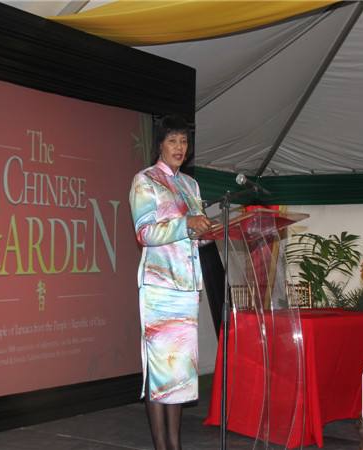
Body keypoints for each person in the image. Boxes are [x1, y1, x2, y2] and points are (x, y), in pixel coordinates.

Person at [129, 115, 211, 450]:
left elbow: (192, 236)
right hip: (160, 289)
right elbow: (145, 233)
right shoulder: (145, 180)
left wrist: (206, 233)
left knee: (178, 376)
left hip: (186, 289)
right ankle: (163, 446)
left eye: (184, 141)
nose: (179, 147)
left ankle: (174, 445)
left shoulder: (191, 185)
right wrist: (187, 224)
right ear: (160, 145)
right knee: (160, 374)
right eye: (173, 141)